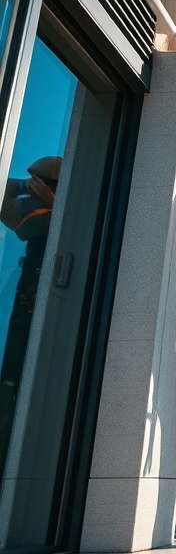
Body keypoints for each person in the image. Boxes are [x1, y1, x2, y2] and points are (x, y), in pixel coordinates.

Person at [0, 156, 61, 478]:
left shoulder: (52, 220)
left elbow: (8, 209)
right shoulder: (45, 214)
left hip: (30, 332)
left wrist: (49, 198)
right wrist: (26, 185)